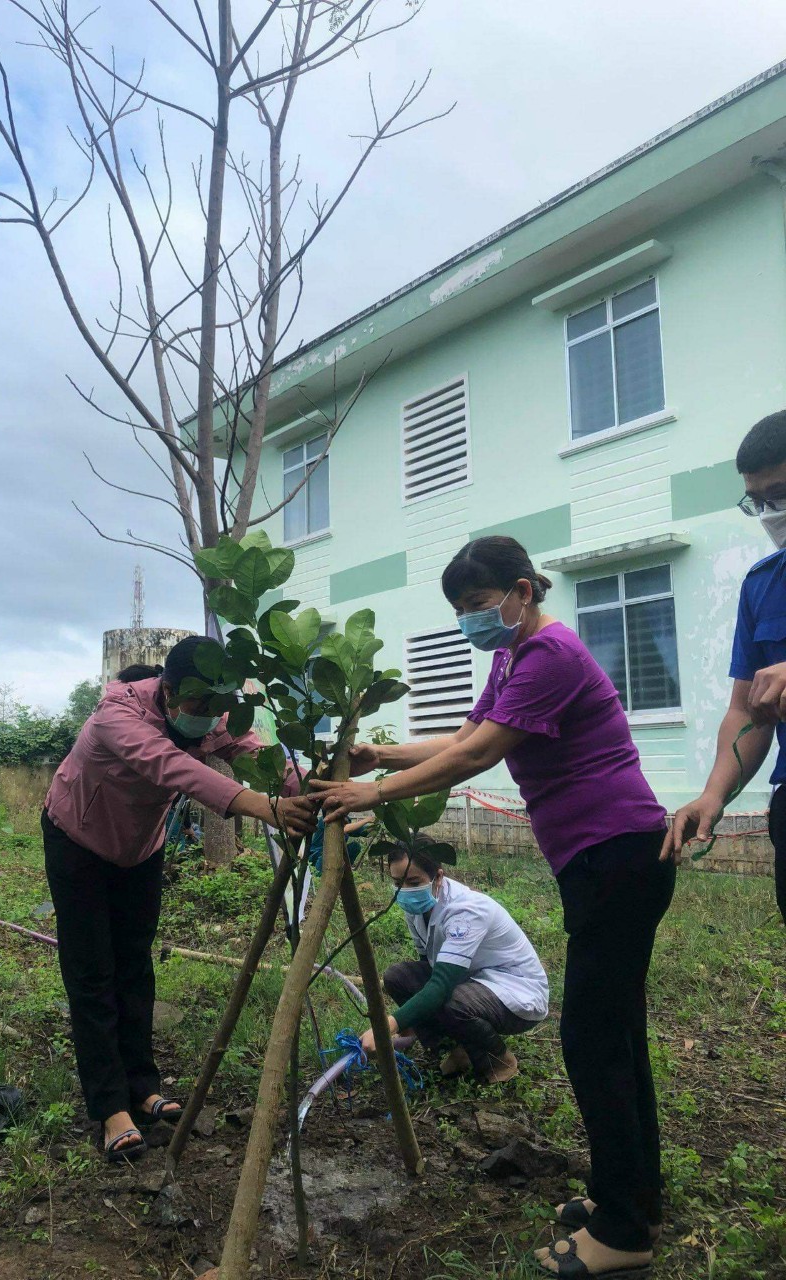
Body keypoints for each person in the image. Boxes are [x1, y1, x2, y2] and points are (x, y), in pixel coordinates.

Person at [312, 536, 673, 1279]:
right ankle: (632, 1194)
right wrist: (384, 756)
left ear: (520, 590)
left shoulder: (551, 656)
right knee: (617, 1035)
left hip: (618, 855)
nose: (470, 623)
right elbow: (467, 736)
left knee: (594, 1040)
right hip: (603, 859)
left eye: (477, 607)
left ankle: (625, 1232)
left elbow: (481, 758)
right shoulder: (511, 658)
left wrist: (370, 794)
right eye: (460, 613)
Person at [43, 636, 314, 1163]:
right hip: (78, 840)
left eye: (220, 707)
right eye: (200, 705)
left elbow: (254, 751)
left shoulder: (213, 718)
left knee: (135, 964)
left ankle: (142, 1083)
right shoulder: (115, 714)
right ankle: (108, 1104)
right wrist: (260, 806)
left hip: (140, 848)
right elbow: (174, 768)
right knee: (92, 970)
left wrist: (307, 783)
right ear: (168, 691)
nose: (211, 717)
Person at [664, 410, 786, 926]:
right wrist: (713, 795)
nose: (769, 512)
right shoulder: (762, 585)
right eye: (757, 501)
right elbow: (745, 710)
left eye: (778, 493)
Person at [358, 836, 548, 1083]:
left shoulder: (465, 910)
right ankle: (456, 1050)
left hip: (515, 990)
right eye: (397, 883)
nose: (405, 891)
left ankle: (499, 1061)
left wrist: (389, 1025)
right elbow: (427, 963)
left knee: (453, 1002)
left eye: (413, 882)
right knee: (398, 977)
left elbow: (440, 986)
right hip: (472, 978)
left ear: (438, 877)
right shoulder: (417, 906)